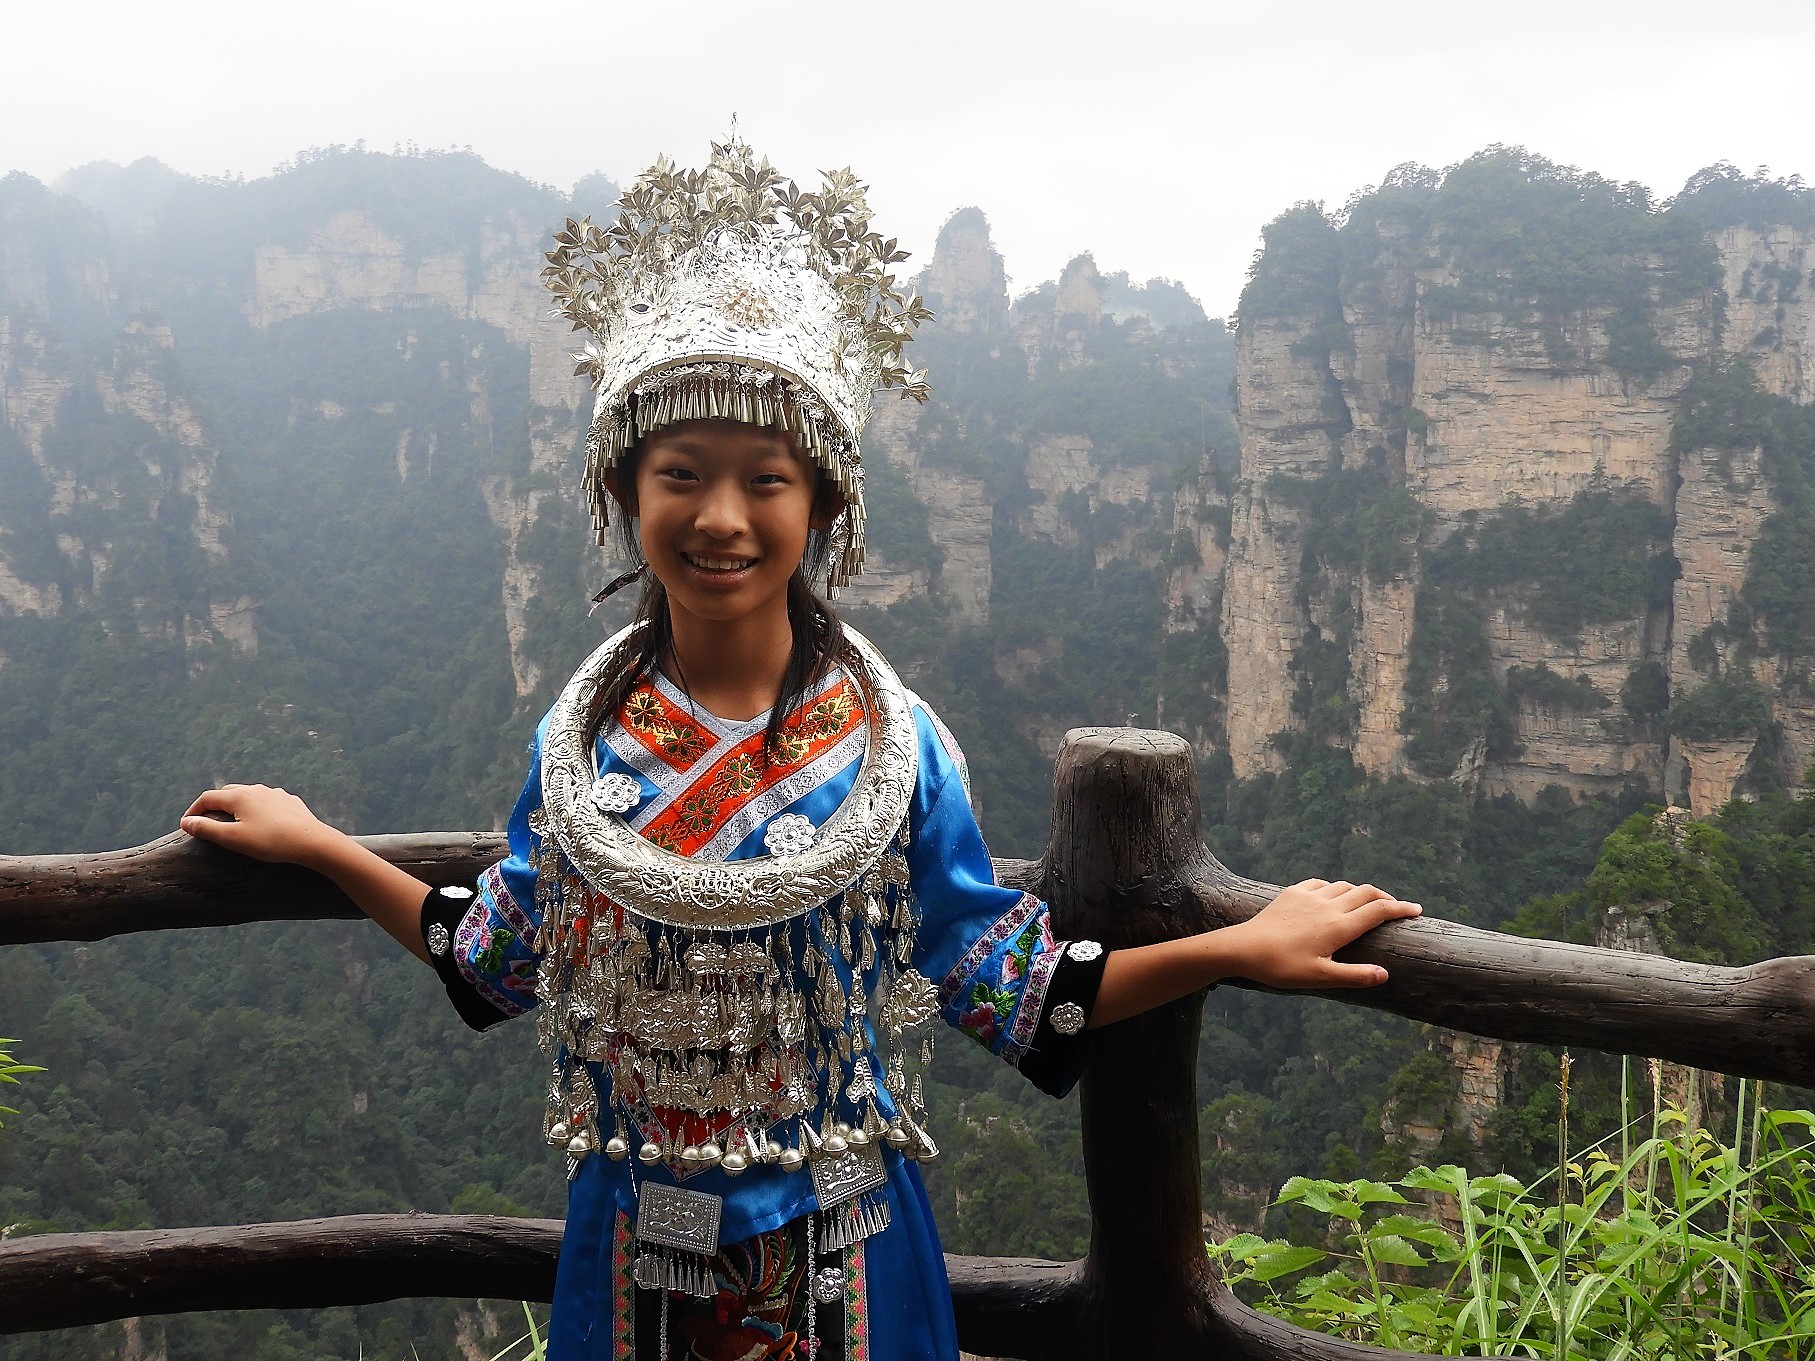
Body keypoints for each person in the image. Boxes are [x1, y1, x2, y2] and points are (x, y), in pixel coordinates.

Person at [179, 137, 1420, 1361]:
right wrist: (322, 845)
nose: (721, 517)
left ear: (822, 501)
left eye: (765, 480)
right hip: (633, 1249)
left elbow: (1009, 980)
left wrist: (1237, 948)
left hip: (848, 1246)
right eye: (682, 473)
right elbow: (502, 954)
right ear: (625, 489)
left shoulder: (894, 748)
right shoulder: (582, 743)